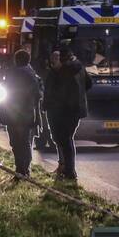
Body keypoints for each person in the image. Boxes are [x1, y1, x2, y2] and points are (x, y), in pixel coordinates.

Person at [47, 45, 90, 180]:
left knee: (65, 140)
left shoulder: (65, 70)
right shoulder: (79, 67)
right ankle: (67, 169)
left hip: (66, 110)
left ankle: (69, 171)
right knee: (66, 139)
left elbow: (57, 90)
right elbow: (89, 83)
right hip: (76, 109)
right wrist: (80, 95)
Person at [0, 50, 42, 177]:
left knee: (16, 143)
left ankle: (20, 169)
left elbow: (4, 93)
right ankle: (24, 169)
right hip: (26, 115)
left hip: (13, 114)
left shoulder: (11, 74)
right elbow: (38, 94)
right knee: (24, 142)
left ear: (16, 60)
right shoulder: (33, 75)